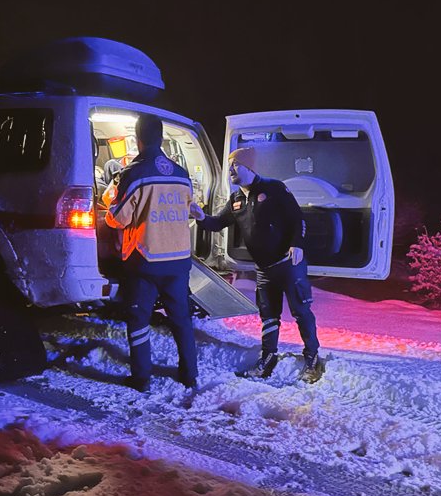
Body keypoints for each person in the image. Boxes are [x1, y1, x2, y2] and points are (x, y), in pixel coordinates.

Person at [190, 147, 325, 383]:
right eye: (230, 165)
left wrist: (297, 244)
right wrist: (200, 217)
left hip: (289, 264)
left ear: (249, 166)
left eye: (236, 165)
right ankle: (268, 358)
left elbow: (297, 219)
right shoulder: (236, 200)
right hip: (264, 269)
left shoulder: (274, 188)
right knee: (269, 315)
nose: (231, 169)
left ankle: (312, 357)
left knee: (301, 311)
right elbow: (217, 223)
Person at [104, 114, 198, 391]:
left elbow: (118, 219)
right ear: (161, 138)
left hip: (145, 260)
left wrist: (110, 201)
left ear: (138, 139)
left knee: (138, 320)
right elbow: (189, 208)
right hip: (179, 260)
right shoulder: (182, 174)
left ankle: (141, 377)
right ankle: (189, 374)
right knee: (181, 319)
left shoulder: (133, 174)